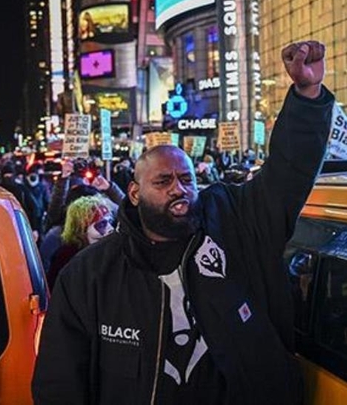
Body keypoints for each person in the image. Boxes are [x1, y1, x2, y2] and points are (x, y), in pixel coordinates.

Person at [32, 41, 332, 404]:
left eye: (186, 179)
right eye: (163, 181)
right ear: (134, 192)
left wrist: (306, 95)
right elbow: (59, 383)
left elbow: (288, 174)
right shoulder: (90, 276)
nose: (179, 189)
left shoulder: (234, 222)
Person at [46, 195, 115, 289]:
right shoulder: (65, 257)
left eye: (110, 221)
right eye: (102, 224)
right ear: (82, 227)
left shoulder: (112, 248)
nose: (110, 228)